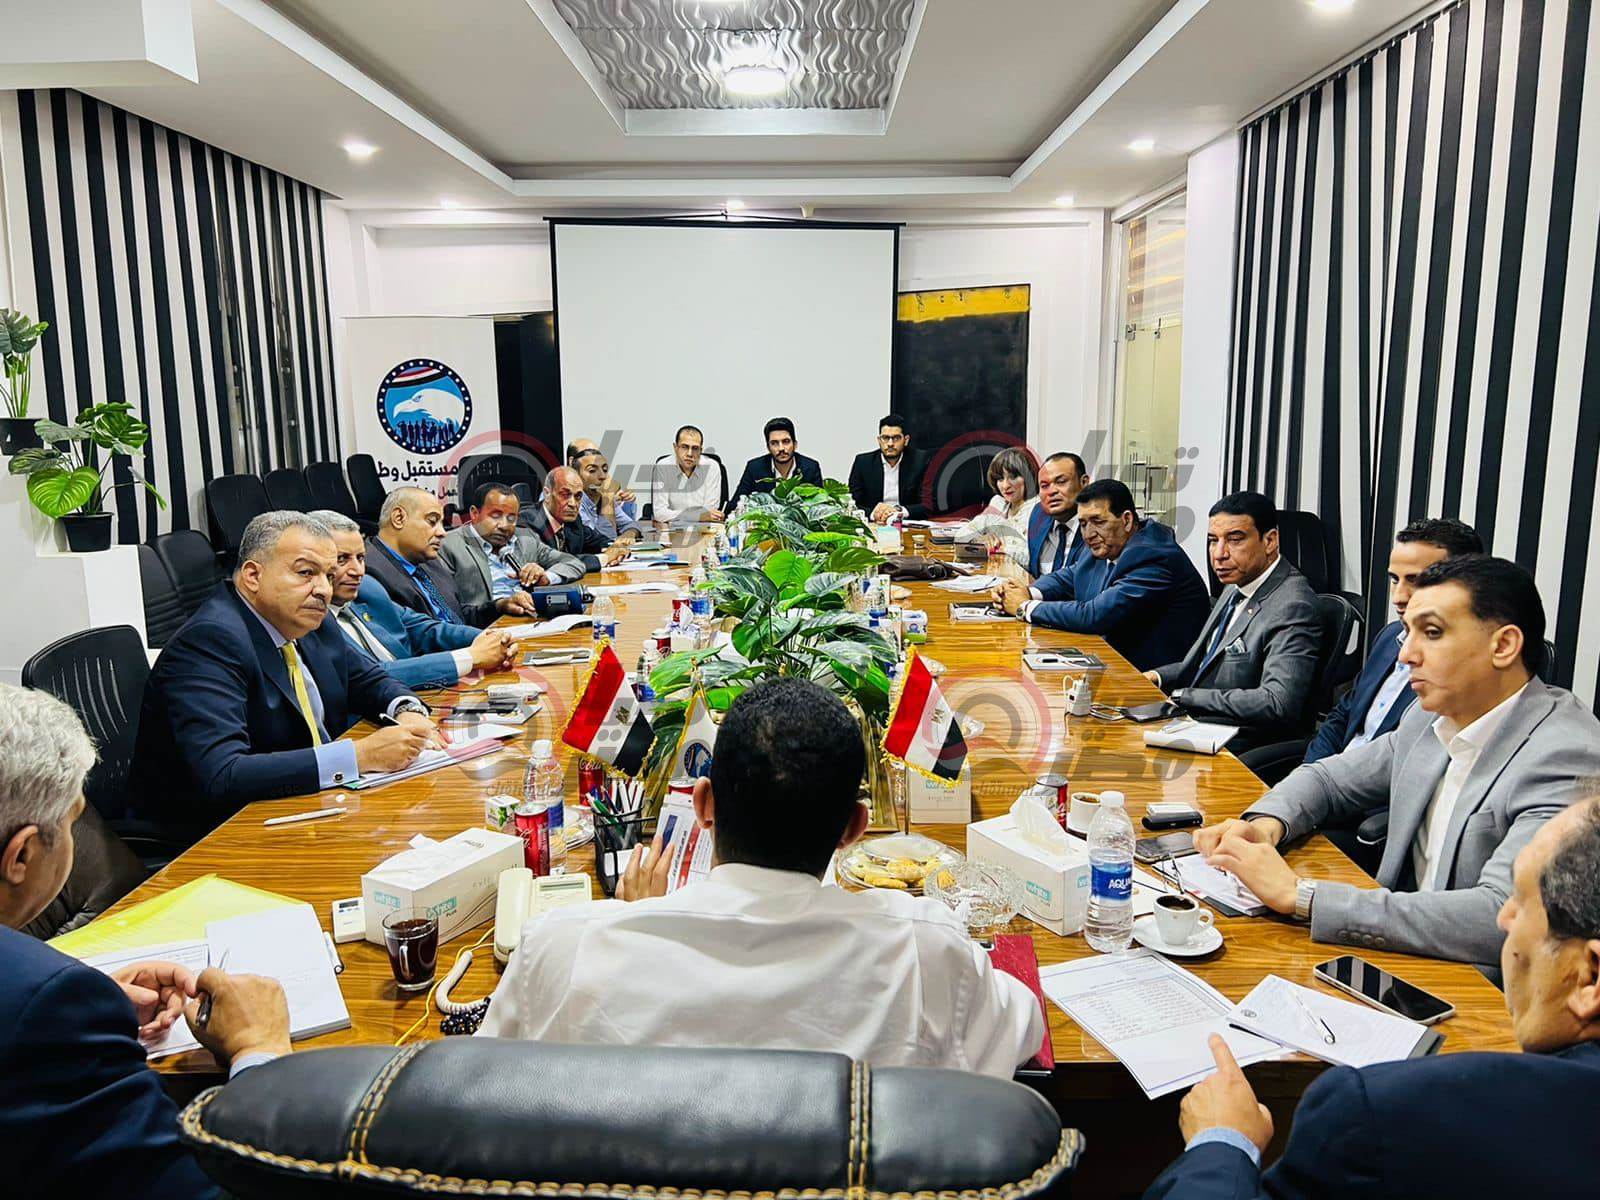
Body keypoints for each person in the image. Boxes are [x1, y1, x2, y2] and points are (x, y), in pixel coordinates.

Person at [480, 677, 1044, 1077]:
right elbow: (1024, 1028)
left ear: (704, 804)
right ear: (854, 829)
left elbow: (480, 1089)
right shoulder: (927, 950)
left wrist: (630, 925)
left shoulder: (565, 947)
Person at [1145, 791, 1600, 1200]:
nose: (1503, 920)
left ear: (1590, 977)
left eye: (1521, 904)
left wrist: (1223, 1142)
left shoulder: (1377, 1114)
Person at [1194, 555, 1600, 971]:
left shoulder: (1566, 756)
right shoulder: (1430, 715)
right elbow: (1330, 780)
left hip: (1482, 986)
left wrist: (1302, 896)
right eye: (1408, 633)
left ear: (1503, 646)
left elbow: (1501, 915)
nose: (1405, 655)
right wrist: (1267, 825)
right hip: (1395, 954)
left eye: (1432, 633)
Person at [2, 683, 294, 1197]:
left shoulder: (46, 1000)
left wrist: (86, 1004)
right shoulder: (46, 1008)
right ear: (22, 856)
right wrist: (260, 1054)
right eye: (73, 823)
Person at [132, 511, 446, 836]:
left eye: (328, 575)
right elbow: (223, 773)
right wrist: (360, 755)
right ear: (253, 575)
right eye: (306, 572)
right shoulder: (210, 641)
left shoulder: (309, 620)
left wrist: (408, 711)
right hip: (223, 832)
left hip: (312, 806)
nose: (323, 589)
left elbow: (369, 680)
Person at [1143, 492, 1322, 753]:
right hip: (1198, 723)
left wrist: (1186, 696)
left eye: (1235, 540)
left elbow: (1277, 701)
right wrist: (1155, 677)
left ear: (1270, 541)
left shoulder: (1293, 605)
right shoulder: (1236, 585)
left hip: (1239, 740)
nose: (1219, 554)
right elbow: (1202, 664)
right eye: (1213, 541)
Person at [1304, 517, 1484, 763]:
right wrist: (1311, 773)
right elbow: (1344, 714)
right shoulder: (1389, 637)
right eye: (1394, 580)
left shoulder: (1467, 670)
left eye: (1416, 581)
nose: (1398, 597)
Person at [992, 478, 1210, 672]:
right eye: (1083, 524)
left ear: (1126, 520)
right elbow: (1068, 576)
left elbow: (1095, 616)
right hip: (1111, 663)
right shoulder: (1107, 544)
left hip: (1150, 680)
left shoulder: (1153, 556)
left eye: (1098, 521)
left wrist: (1024, 607)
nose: (1088, 534)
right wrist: (1028, 592)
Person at [314, 510, 515, 690]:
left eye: (360, 558)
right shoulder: (311, 619)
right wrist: (470, 657)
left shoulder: (367, 587)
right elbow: (369, 676)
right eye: (342, 559)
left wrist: (491, 639)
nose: (357, 571)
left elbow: (423, 628)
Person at [365, 486, 538, 627]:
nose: (442, 533)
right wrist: (482, 640)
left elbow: (457, 617)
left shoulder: (429, 563)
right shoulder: (370, 574)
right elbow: (420, 636)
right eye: (432, 521)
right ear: (398, 518)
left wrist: (500, 606)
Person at [436, 482, 585, 617]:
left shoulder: (526, 538)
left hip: (531, 619)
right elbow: (447, 610)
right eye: (495, 516)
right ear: (475, 514)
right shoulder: (449, 545)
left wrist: (546, 577)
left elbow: (574, 563)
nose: (504, 525)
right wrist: (500, 606)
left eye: (512, 518)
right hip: (487, 627)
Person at [524, 466, 629, 572]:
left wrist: (617, 548)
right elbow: (550, 563)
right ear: (547, 494)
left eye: (578, 496)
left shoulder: (572, 521)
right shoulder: (528, 522)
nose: (573, 504)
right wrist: (604, 558)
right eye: (565, 495)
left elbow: (598, 541)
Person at [948, 447, 1039, 568]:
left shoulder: (1038, 508)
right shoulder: (999, 503)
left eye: (1013, 477)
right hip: (997, 573)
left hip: (1023, 577)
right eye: (1000, 478)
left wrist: (1001, 547)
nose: (1005, 485)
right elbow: (961, 535)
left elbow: (1035, 558)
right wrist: (979, 539)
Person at [848, 413, 930, 522]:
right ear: (879, 440)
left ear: (906, 440)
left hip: (907, 523)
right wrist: (874, 514)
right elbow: (852, 502)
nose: (890, 443)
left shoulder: (920, 461)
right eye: (885, 438)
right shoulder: (863, 463)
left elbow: (929, 504)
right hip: (874, 523)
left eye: (896, 438)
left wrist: (899, 511)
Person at [1024, 451, 1091, 577]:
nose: (1051, 491)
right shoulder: (1039, 514)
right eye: (1044, 486)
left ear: (1084, 483)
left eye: (1061, 482)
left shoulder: (1097, 525)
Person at [729, 417, 824, 505]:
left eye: (786, 441)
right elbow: (735, 504)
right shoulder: (754, 468)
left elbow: (820, 505)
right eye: (774, 443)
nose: (781, 448)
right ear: (768, 448)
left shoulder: (810, 468)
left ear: (795, 445)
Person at [569, 439, 642, 543]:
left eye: (604, 470)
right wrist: (608, 497)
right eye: (592, 470)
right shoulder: (573, 500)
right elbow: (604, 540)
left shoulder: (598, 494)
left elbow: (632, 524)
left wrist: (628, 536)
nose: (602, 476)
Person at [649, 424, 725, 526]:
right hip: (671, 528)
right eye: (684, 447)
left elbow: (709, 512)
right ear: (675, 447)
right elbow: (660, 513)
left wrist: (677, 516)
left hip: (702, 528)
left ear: (701, 450)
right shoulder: (663, 466)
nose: (689, 453)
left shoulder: (712, 467)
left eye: (695, 448)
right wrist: (698, 516)